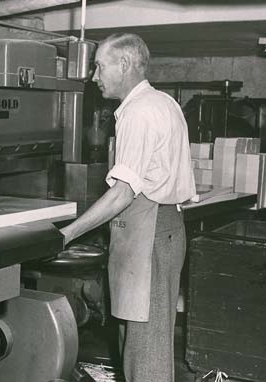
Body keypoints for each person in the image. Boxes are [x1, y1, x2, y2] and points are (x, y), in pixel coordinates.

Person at [60, 33, 196, 381]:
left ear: (124, 64)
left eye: (99, 66)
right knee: (135, 340)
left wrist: (66, 234)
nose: (94, 76)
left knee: (145, 348)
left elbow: (123, 194)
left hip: (149, 234)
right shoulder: (163, 102)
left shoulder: (139, 111)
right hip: (154, 230)